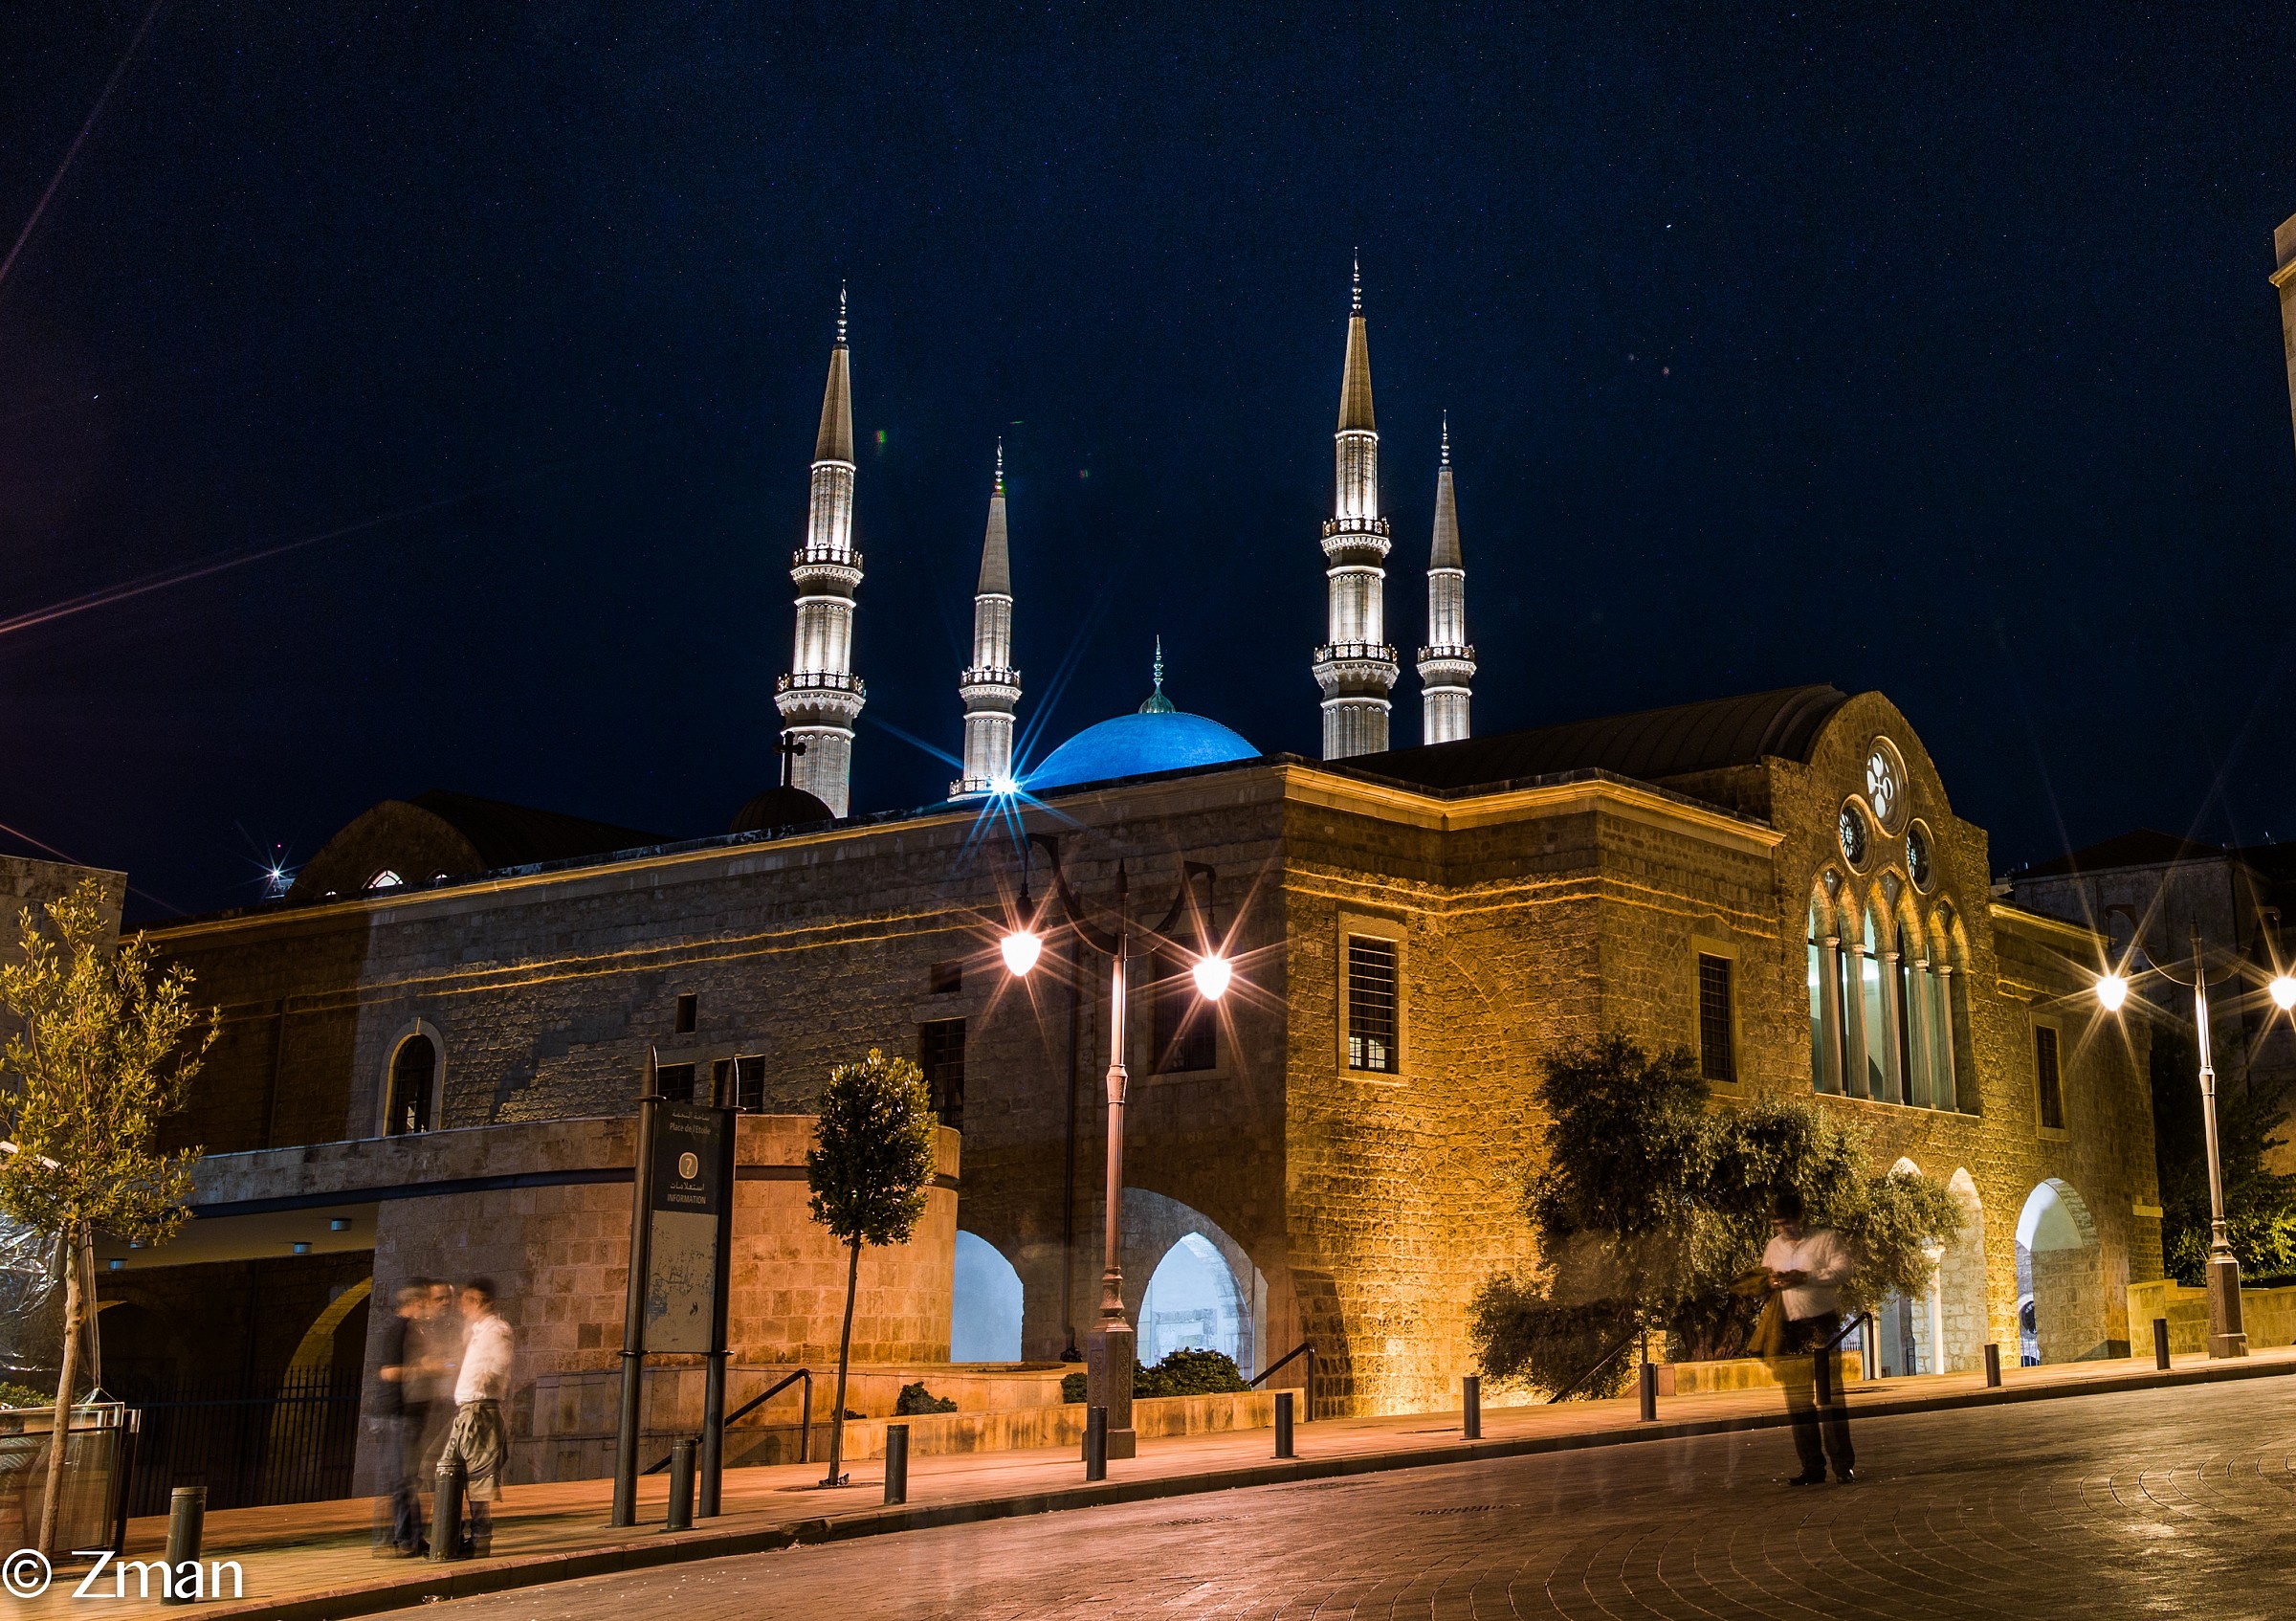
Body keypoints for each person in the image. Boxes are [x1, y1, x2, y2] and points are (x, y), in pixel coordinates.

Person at [1762, 1189, 1855, 1485]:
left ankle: (1843, 1465)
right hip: (1791, 1328)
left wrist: (1806, 1277)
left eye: (1788, 1222)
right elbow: (1766, 1276)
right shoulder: (1773, 1247)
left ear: (1800, 1218)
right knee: (1798, 1402)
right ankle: (1812, 1466)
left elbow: (1843, 1270)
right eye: (1778, 1224)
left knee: (1830, 1399)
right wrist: (1772, 1282)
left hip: (1823, 1325)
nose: (1784, 1230)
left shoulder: (1825, 1240)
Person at [437, 1277, 513, 1556]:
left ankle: (480, 1539)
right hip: (467, 1410)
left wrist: (480, 1379)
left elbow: (497, 1366)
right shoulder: (477, 1330)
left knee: (478, 1479)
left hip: (480, 1410)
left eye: (469, 1300)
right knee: (448, 1469)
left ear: (483, 1302)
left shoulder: (496, 1330)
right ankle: (452, 1535)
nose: (462, 1306)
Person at [372, 1279, 435, 1555]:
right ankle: (405, 1538)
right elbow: (388, 1372)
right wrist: (421, 1368)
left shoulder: (414, 1329)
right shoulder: (397, 1330)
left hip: (410, 1414)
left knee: (407, 1479)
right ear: (413, 1302)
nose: (425, 1307)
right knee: (403, 1480)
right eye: (422, 1302)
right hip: (400, 1414)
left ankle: (408, 1537)